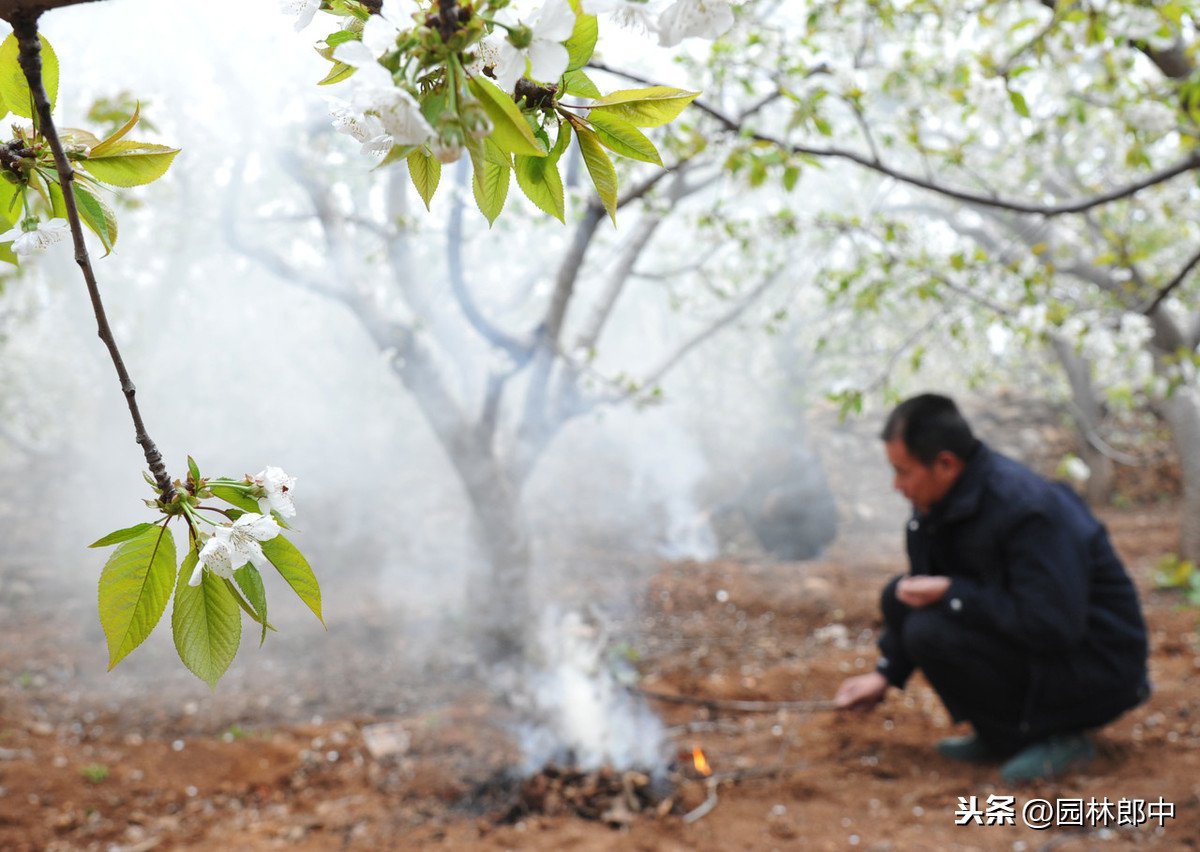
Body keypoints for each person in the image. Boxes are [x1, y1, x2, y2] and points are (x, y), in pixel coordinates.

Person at [834, 393, 1150, 783]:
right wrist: (886, 674)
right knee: (900, 597)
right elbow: (924, 593)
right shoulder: (936, 510)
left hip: (1096, 665)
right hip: (1041, 648)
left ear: (946, 464)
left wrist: (954, 594)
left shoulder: (1028, 510)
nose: (897, 485)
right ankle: (1002, 734)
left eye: (904, 471)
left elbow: (1052, 625)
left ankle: (1055, 734)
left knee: (932, 629)